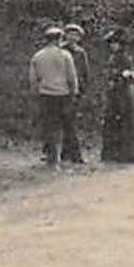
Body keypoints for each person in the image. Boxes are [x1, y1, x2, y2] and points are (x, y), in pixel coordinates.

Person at [28, 25, 79, 167]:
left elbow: (33, 79)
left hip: (46, 94)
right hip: (63, 94)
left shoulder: (38, 56)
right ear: (59, 39)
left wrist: (35, 93)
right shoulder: (65, 55)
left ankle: (52, 156)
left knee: (50, 126)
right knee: (66, 125)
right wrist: (74, 92)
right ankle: (68, 155)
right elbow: (72, 77)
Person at [100, 27, 134, 164]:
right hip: (115, 91)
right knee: (113, 120)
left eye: (115, 43)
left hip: (124, 92)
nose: (113, 46)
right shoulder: (113, 57)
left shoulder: (125, 57)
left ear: (120, 44)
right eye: (111, 44)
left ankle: (130, 154)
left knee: (127, 120)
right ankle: (114, 153)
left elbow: (130, 74)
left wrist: (121, 76)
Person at [61, 24, 91, 164]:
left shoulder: (80, 53)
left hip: (75, 91)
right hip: (60, 89)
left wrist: (81, 89)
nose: (72, 37)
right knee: (61, 122)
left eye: (76, 35)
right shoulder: (60, 50)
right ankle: (65, 153)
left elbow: (84, 73)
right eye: (70, 34)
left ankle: (71, 154)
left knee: (70, 122)